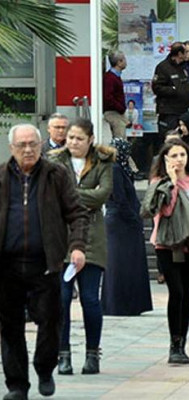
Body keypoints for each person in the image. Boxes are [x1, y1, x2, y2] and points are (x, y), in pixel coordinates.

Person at [0, 124, 88, 400]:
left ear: (41, 146)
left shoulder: (55, 175)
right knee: (10, 325)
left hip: (46, 263)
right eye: (22, 145)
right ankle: (17, 385)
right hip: (7, 266)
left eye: (33, 145)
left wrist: (76, 247)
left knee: (50, 320)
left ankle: (45, 368)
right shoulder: (1, 177)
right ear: (12, 148)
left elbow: (77, 213)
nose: (28, 150)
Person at [49, 118, 114, 376]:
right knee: (62, 298)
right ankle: (63, 354)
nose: (73, 142)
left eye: (78, 138)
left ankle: (92, 353)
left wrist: (71, 194)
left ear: (90, 140)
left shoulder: (103, 162)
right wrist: (83, 196)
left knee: (89, 298)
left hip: (92, 235)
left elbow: (103, 194)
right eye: (70, 137)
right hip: (61, 236)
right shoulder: (55, 161)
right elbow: (52, 194)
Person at [144, 139, 189, 364]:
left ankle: (182, 343)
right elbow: (165, 211)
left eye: (182, 155)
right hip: (167, 243)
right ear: (165, 159)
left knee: (187, 294)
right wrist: (172, 183)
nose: (179, 160)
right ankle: (174, 343)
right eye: (174, 156)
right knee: (177, 292)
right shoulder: (159, 183)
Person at [101, 138, 153, 317]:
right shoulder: (114, 169)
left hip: (123, 221)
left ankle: (127, 303)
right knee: (120, 264)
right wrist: (133, 218)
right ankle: (119, 304)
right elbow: (119, 198)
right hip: (121, 222)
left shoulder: (119, 168)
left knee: (126, 263)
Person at [152, 42, 189, 137]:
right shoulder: (163, 67)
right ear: (179, 54)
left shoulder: (183, 67)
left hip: (183, 111)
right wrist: (174, 90)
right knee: (169, 138)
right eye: (185, 52)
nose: (187, 54)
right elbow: (157, 88)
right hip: (169, 112)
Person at [103, 50, 128, 139]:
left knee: (123, 137)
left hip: (118, 113)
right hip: (113, 113)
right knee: (119, 139)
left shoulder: (116, 77)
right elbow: (108, 97)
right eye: (124, 59)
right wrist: (120, 108)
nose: (126, 61)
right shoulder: (110, 78)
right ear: (119, 62)